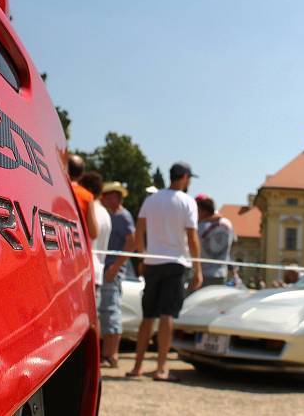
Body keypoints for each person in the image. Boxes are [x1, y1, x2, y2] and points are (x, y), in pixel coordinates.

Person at [126, 162, 201, 382]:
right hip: (175, 263)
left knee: (148, 315)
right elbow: (192, 237)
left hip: (152, 262)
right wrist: (198, 267)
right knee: (167, 315)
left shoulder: (152, 199)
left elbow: (139, 229)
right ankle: (161, 368)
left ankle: (137, 366)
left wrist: (142, 257)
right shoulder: (187, 202)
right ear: (185, 177)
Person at [99, 181, 135, 368]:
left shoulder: (123, 217)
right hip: (106, 265)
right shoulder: (109, 215)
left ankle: (111, 354)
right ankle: (107, 353)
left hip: (113, 266)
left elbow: (131, 243)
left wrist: (116, 266)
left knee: (111, 307)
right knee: (105, 309)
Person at [79, 171, 111, 346]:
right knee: (93, 317)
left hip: (84, 269)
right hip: (98, 268)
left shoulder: (90, 208)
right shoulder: (106, 213)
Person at [194, 194, 235, 288]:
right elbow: (233, 242)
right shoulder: (228, 223)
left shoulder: (199, 227)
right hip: (221, 273)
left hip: (203, 274)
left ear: (202, 211)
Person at [67, 154, 98, 240]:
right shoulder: (87, 197)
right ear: (81, 175)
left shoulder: (57, 190)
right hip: (77, 244)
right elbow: (94, 233)